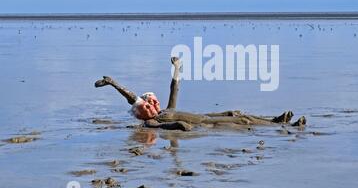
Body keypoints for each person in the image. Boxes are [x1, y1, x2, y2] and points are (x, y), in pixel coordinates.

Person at [95, 57, 305, 131]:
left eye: (151, 102)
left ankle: (275, 121)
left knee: (236, 113)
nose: (151, 106)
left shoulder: (167, 109)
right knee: (242, 121)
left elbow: (174, 88)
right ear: (140, 114)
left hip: (209, 117)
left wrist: (177, 67)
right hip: (207, 125)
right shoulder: (150, 123)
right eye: (146, 106)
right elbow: (165, 125)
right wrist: (114, 83)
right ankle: (282, 125)